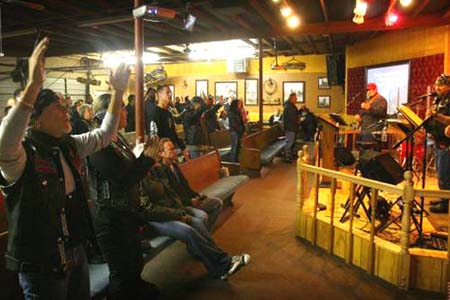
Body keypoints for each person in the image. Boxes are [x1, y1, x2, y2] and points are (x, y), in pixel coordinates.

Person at [0, 37, 127, 300]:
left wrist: (118, 92)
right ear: (36, 119)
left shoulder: (66, 146)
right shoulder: (21, 155)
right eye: (59, 106)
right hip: (43, 263)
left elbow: (105, 134)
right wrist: (33, 85)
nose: (67, 110)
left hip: (75, 251)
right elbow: (3, 144)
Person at [89, 95, 160, 300]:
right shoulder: (98, 143)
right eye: (122, 109)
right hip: (110, 217)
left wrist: (144, 157)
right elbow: (122, 179)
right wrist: (146, 160)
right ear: (108, 114)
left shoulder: (116, 139)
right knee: (121, 272)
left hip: (125, 213)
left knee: (134, 263)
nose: (126, 112)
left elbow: (128, 170)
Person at [141, 170, 250, 280]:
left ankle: (220, 265)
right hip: (155, 220)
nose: (156, 162)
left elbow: (171, 194)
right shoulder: (139, 182)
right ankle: (224, 263)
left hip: (171, 211)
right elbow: (149, 209)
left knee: (197, 222)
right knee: (188, 231)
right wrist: (178, 214)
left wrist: (180, 210)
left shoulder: (154, 172)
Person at [152, 138, 223, 229]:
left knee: (217, 203)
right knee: (202, 216)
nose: (175, 151)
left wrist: (196, 196)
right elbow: (171, 194)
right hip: (180, 205)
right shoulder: (161, 170)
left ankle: (204, 232)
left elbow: (185, 185)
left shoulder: (174, 166)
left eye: (174, 148)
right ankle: (202, 235)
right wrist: (190, 201)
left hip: (189, 200)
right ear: (161, 153)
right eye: (171, 149)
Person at [427, 74, 450, 213]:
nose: (437, 88)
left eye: (440, 85)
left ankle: (445, 204)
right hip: (437, 139)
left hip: (446, 141)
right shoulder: (438, 99)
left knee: (445, 173)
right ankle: (443, 197)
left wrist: (437, 116)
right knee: (440, 172)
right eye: (436, 85)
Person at [148, 84, 188, 157]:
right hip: (162, 153)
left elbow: (173, 133)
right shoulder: (154, 113)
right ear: (159, 94)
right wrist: (161, 151)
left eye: (170, 92)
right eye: (167, 92)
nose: (170, 94)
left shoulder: (168, 113)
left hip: (170, 150)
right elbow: (153, 137)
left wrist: (183, 148)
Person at [283, 93, 299, 162]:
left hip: (292, 127)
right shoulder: (288, 107)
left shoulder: (291, 106)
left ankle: (290, 155)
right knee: (289, 142)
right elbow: (290, 118)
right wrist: (297, 120)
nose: (296, 100)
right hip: (290, 128)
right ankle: (287, 157)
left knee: (291, 142)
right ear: (291, 99)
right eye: (295, 99)